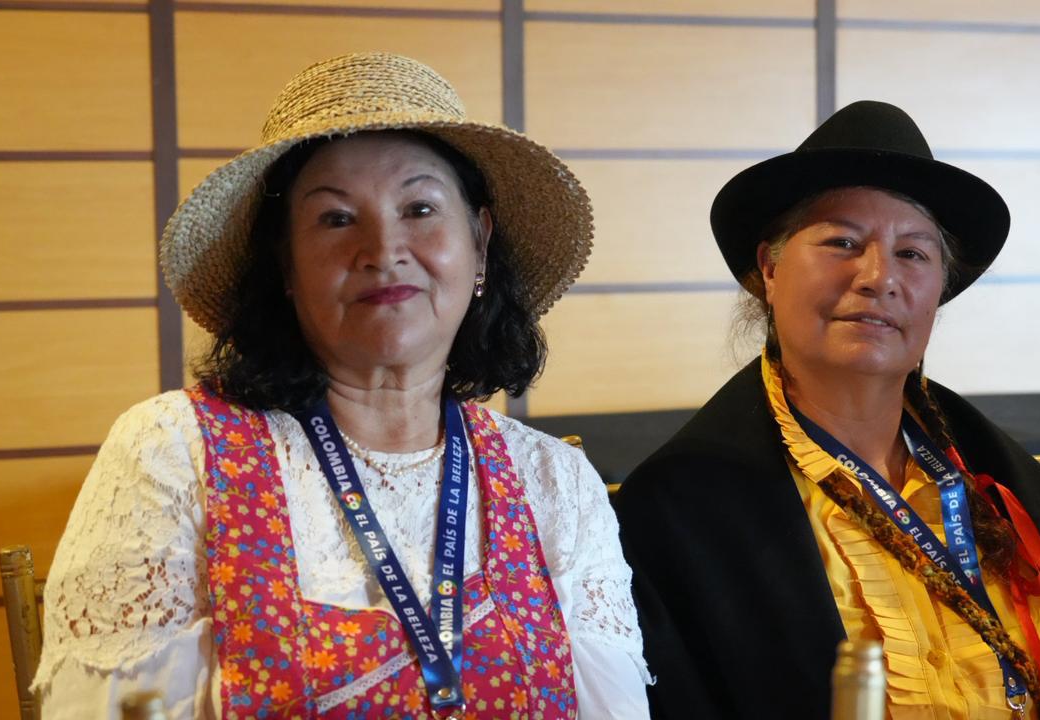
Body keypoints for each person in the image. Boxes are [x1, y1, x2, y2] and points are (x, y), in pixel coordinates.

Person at [34, 52, 650, 719]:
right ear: (286, 266)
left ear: (478, 241)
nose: (382, 248)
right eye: (335, 219)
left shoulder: (554, 481)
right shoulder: (175, 452)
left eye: (419, 207)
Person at [614, 101, 1040, 720]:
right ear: (770, 268)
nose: (879, 277)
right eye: (842, 242)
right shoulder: (682, 505)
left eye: (913, 253)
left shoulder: (996, 473)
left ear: (939, 289)